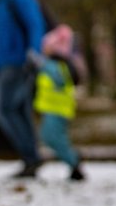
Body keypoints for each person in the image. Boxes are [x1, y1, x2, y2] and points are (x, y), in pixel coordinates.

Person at [0, 0, 45, 178]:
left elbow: (35, 22)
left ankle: (30, 156)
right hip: (6, 60)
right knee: (19, 109)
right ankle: (31, 158)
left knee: (2, 108)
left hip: (18, 61)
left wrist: (34, 52)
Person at [34, 25, 85, 181]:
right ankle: (73, 161)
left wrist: (40, 65)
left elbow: (58, 80)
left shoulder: (55, 66)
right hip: (53, 108)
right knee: (52, 137)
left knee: (51, 137)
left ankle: (73, 159)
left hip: (57, 109)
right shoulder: (54, 65)